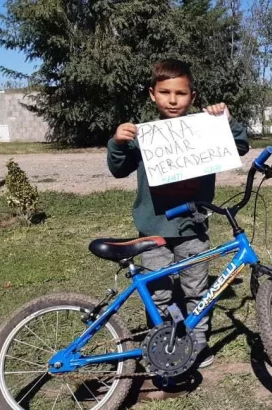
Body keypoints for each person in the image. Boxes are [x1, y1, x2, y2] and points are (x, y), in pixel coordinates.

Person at [107, 58, 250, 367]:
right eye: (165, 92)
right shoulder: (143, 135)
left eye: (181, 93)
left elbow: (239, 146)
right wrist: (118, 143)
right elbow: (118, 169)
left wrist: (225, 120)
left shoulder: (204, 128)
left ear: (193, 96)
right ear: (152, 94)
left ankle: (197, 345)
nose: (173, 100)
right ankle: (162, 345)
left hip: (193, 228)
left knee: (197, 290)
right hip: (153, 230)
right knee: (158, 295)